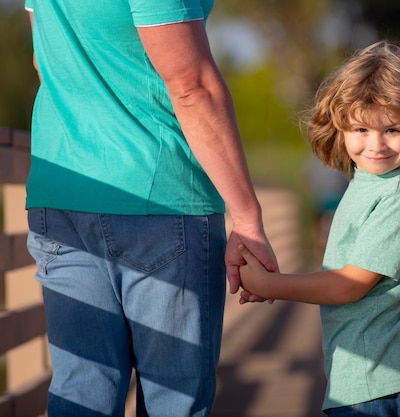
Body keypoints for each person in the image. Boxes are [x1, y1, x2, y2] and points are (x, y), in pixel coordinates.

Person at [24, 0, 277, 416]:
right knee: (173, 400)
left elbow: (44, 59)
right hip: (159, 196)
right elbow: (191, 86)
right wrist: (247, 218)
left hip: (62, 192)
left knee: (81, 393)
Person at [237, 41, 400, 417]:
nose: (376, 144)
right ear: (339, 127)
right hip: (366, 383)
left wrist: (272, 285)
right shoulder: (366, 182)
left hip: (385, 386)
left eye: (393, 129)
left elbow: (350, 284)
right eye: (361, 128)